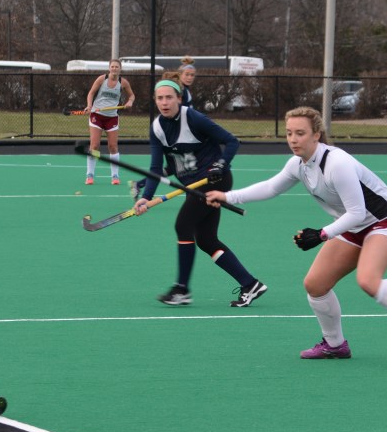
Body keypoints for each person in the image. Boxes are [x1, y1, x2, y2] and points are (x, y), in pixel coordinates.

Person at [205, 106, 387, 361]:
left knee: (368, 280)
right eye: (289, 133)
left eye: (300, 133)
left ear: (316, 135)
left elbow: (357, 211)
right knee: (315, 284)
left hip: (382, 222)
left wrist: (321, 234)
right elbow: (271, 187)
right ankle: (335, 345)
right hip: (351, 226)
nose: (293, 140)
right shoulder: (298, 164)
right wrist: (227, 196)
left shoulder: (336, 163)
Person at [133, 78, 267, 307]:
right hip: (192, 186)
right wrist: (146, 197)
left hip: (214, 180)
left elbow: (231, 141)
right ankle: (249, 283)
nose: (164, 102)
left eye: (169, 97)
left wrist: (221, 164)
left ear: (178, 98)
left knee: (182, 225)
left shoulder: (192, 118)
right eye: (159, 98)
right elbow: (156, 168)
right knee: (206, 239)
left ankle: (181, 289)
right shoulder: (157, 128)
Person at [130, 56, 197, 200]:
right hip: (177, 136)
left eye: (192, 75)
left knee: (173, 168)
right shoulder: (180, 92)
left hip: (183, 135)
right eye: (187, 74)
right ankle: (192, 196)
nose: (190, 77)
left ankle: (140, 184)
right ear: (180, 75)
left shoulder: (186, 91)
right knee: (183, 167)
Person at [83, 59, 135, 185]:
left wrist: (130, 102)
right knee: (94, 145)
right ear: (109, 68)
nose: (114, 69)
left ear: (120, 69)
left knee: (113, 146)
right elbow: (91, 93)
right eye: (112, 66)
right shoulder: (102, 79)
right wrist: (89, 106)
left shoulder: (123, 82)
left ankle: (115, 175)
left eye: (117, 67)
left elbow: (132, 96)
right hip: (97, 115)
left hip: (112, 117)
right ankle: (90, 174)